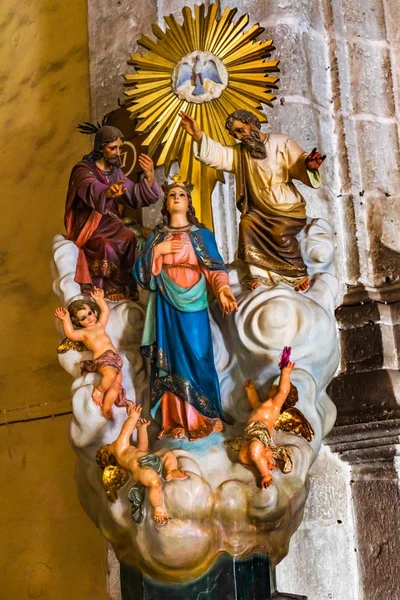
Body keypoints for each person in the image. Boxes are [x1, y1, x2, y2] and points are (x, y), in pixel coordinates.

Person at [134, 176, 238, 441]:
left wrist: (223, 289)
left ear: (189, 203)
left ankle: (206, 415)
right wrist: (158, 251)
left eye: (181, 194)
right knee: (170, 360)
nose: (176, 198)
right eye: (171, 195)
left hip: (194, 302)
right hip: (165, 304)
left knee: (199, 355)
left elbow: (215, 268)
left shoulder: (202, 236)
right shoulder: (156, 238)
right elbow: (139, 273)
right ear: (166, 205)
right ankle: (174, 422)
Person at [179, 109, 326, 291]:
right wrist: (198, 135)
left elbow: (299, 161)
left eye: (241, 130)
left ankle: (295, 272)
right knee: (247, 224)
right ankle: (260, 275)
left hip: (286, 206)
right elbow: (218, 155)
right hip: (258, 209)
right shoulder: (240, 153)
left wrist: (309, 165)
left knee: (280, 233)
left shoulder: (281, 142)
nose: (240, 137)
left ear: (253, 123)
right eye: (235, 134)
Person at [65, 125, 162, 301]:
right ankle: (103, 288)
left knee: (129, 236)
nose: (118, 152)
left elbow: (131, 193)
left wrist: (149, 178)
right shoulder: (83, 169)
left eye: (120, 148)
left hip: (109, 220)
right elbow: (90, 187)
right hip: (89, 224)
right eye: (113, 148)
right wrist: (107, 193)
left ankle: (123, 285)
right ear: (101, 148)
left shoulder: (115, 171)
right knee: (105, 244)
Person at [96, 403, 187, 525]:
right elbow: (125, 433)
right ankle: (158, 508)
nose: (112, 443)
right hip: (141, 470)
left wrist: (141, 428)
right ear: (110, 455)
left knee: (169, 455)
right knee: (155, 483)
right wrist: (133, 417)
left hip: (151, 461)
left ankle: (171, 471)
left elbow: (143, 448)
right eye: (108, 446)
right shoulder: (120, 451)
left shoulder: (128, 451)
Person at [54, 287, 129, 419]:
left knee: (116, 385)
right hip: (103, 359)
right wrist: (65, 320)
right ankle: (99, 390)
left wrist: (100, 300)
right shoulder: (84, 333)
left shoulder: (100, 325)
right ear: (78, 322)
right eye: (83, 318)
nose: (89, 318)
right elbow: (70, 334)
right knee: (110, 376)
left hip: (115, 359)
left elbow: (105, 311)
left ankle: (107, 406)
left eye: (89, 313)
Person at [228, 362, 297, 489]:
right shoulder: (261, 405)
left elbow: (284, 390)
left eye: (276, 388)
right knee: (243, 456)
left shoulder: (274, 405)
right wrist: (251, 390)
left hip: (261, 433)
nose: (273, 388)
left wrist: (285, 374)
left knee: (254, 452)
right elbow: (254, 401)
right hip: (251, 434)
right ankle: (266, 455)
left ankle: (265, 474)